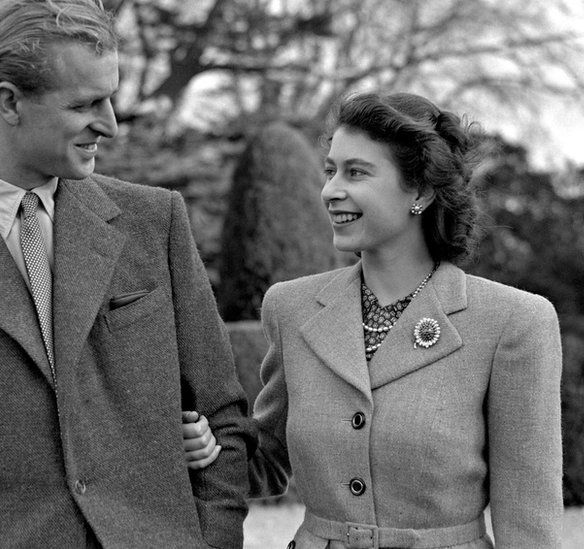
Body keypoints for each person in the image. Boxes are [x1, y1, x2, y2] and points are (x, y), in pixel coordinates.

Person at [0, 0, 254, 547]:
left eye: (111, 97)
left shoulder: (156, 222)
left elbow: (224, 419)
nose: (110, 124)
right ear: (8, 101)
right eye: (85, 104)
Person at [185, 91, 563, 548]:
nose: (330, 190)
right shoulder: (291, 309)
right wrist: (211, 451)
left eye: (356, 172)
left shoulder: (514, 323)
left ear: (421, 190)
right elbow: (266, 461)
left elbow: (529, 524)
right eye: (330, 171)